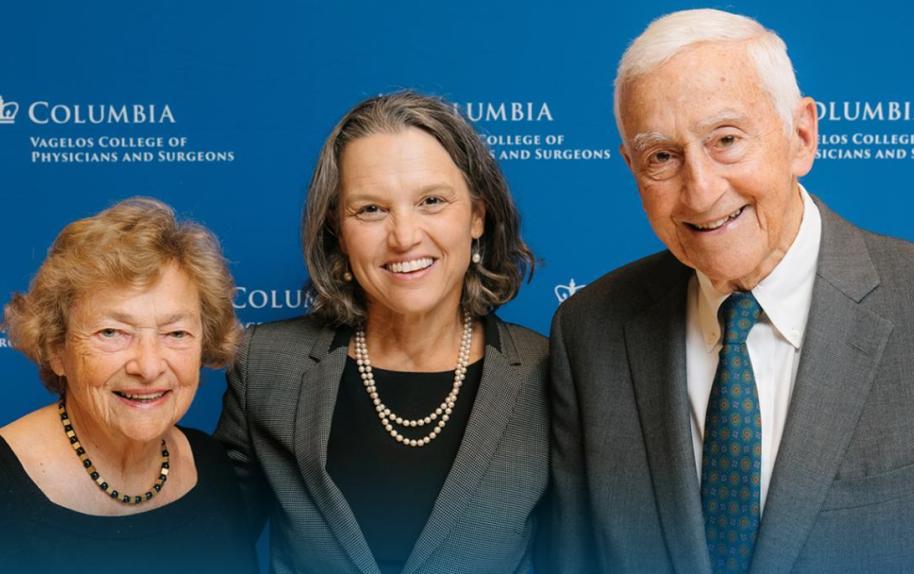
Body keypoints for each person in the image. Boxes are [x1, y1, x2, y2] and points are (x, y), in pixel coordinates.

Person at [548, 8, 914, 574]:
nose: (700, 190)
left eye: (726, 139)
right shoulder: (591, 332)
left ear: (801, 136)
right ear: (631, 168)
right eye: (662, 157)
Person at [215, 91, 548, 574]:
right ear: (337, 229)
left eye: (431, 201)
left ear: (478, 216)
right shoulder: (265, 365)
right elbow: (208, 546)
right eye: (370, 209)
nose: (404, 235)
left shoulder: (548, 375)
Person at [0, 198, 258, 574]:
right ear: (57, 350)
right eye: (112, 332)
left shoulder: (212, 466)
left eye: (176, 332)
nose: (149, 366)